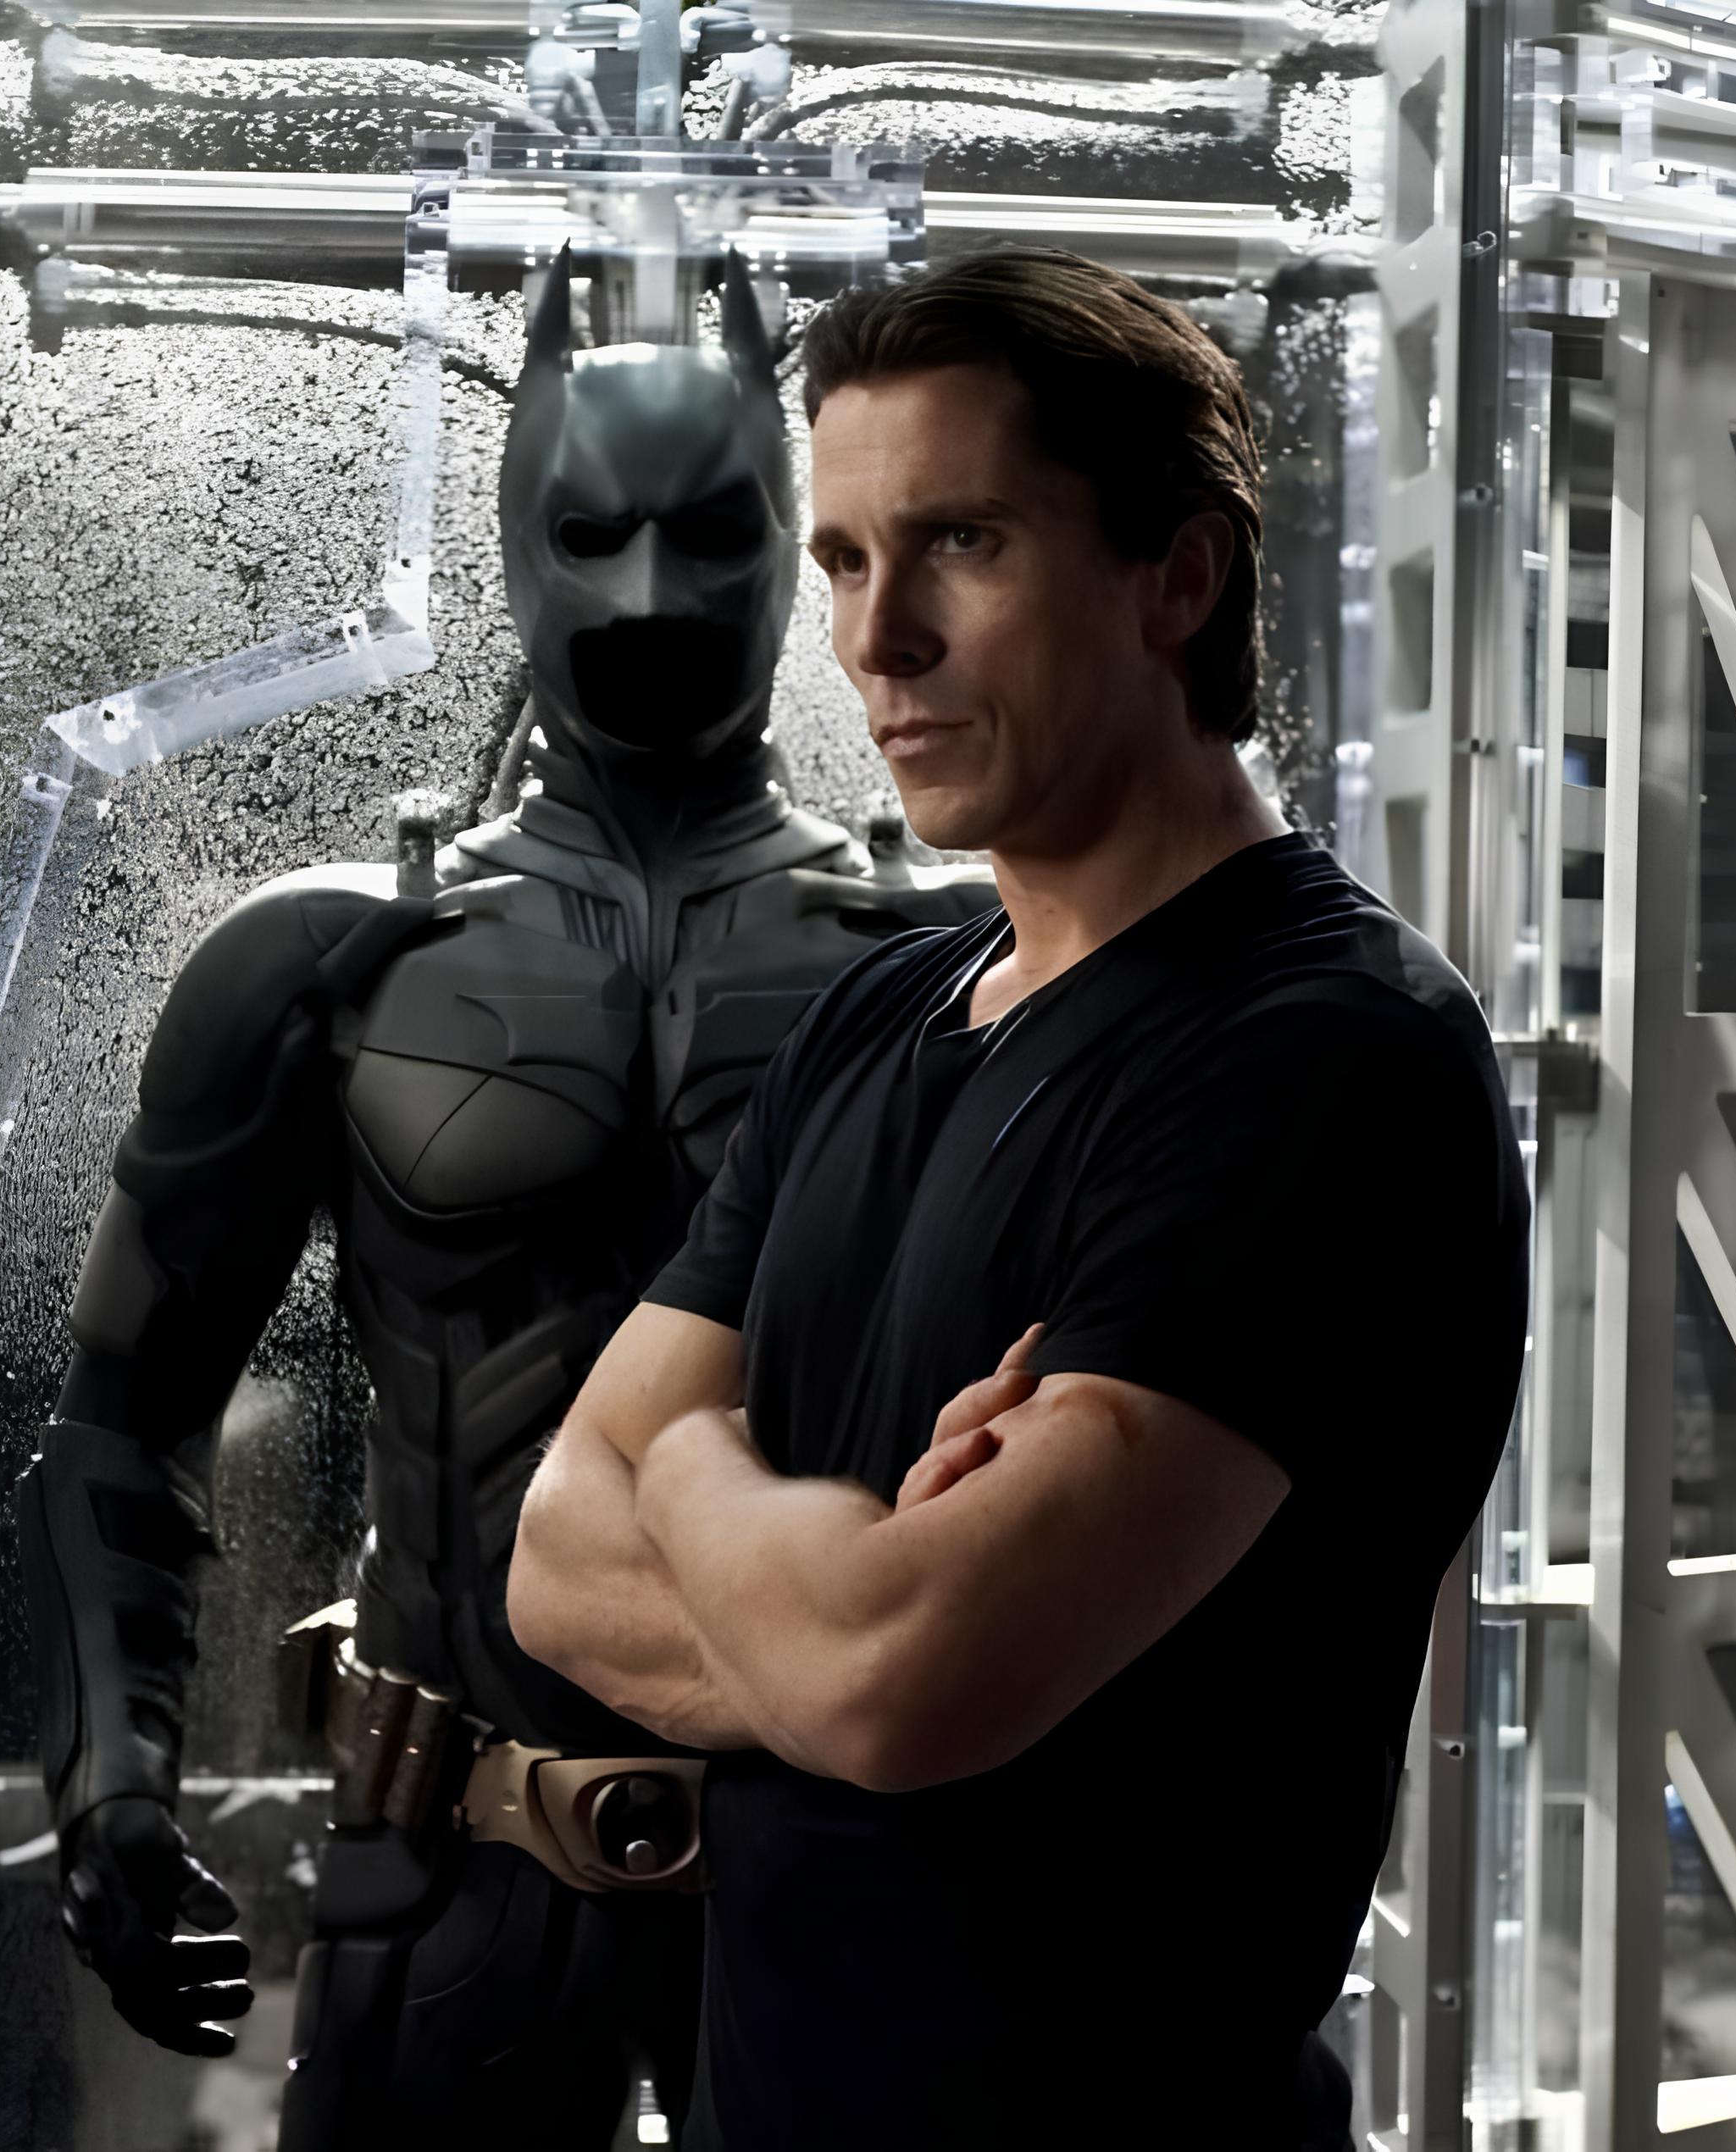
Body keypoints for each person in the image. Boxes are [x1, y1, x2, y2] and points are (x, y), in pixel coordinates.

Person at [507, 247, 1532, 2149]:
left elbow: (892, 1680)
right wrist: (838, 1583)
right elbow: (554, 1560)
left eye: (958, 544)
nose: (875, 641)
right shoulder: (873, 1015)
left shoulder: (1324, 1054)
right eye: (841, 561)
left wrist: (698, 1468)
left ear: (1178, 577)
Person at [13, 257, 990, 2150]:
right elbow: (122, 1429)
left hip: (843, 1875)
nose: (650, 594)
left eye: (710, 533)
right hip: (449, 1872)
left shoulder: (961, 963)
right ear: (516, 544)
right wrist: (109, 1788)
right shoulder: (325, 967)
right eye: (593, 534)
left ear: (793, 548)